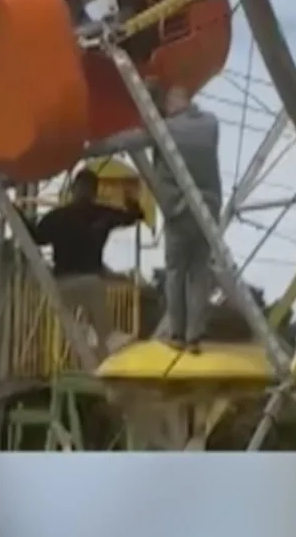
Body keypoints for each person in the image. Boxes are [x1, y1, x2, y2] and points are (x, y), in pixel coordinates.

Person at [95, 85, 222, 352]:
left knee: (176, 271)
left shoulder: (165, 129)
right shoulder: (211, 124)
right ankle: (195, 336)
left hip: (179, 209)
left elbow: (124, 141)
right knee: (199, 272)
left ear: (171, 105)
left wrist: (87, 149)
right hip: (208, 209)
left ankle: (176, 334)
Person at [26, 168, 142, 354]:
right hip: (74, 283)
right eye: (84, 189)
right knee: (94, 284)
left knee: (92, 294)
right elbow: (131, 217)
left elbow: (37, 237)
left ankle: (93, 336)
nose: (84, 194)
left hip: (66, 284)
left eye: (85, 189)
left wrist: (132, 206)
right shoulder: (82, 215)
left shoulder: (72, 215)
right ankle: (105, 334)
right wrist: (131, 205)